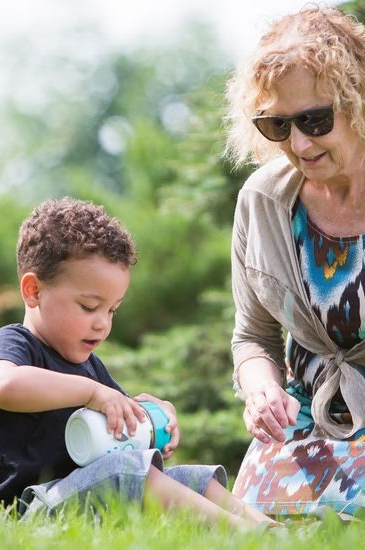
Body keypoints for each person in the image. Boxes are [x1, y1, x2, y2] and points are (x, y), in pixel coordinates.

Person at [0, 196, 280, 530]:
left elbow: (121, 430)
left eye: (112, 310)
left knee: (188, 477)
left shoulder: (92, 368)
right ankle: (247, 535)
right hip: (19, 511)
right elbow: (2, 386)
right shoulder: (15, 343)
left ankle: (274, 530)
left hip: (82, 496)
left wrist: (151, 419)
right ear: (33, 291)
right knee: (127, 474)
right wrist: (91, 393)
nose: (103, 323)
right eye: (89, 307)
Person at [224, 5, 365, 519]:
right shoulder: (261, 201)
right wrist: (263, 392)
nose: (299, 144)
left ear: (357, 99)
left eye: (315, 120)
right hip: (305, 426)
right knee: (251, 523)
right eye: (277, 126)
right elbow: (252, 338)